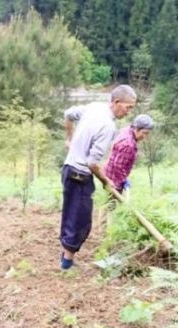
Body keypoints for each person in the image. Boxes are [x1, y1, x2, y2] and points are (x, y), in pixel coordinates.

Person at [59, 85, 137, 270]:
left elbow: (68, 114)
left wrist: (69, 139)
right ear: (117, 102)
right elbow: (93, 163)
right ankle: (66, 263)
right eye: (128, 107)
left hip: (68, 169)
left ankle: (66, 257)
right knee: (81, 220)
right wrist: (106, 181)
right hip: (80, 174)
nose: (128, 112)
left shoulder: (94, 107)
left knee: (71, 213)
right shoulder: (108, 126)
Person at [103, 114, 156, 201]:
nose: (145, 136)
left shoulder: (127, 130)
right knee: (112, 206)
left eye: (147, 134)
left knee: (109, 202)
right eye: (144, 133)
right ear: (136, 128)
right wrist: (124, 180)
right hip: (114, 180)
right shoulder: (129, 145)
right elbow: (118, 165)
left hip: (109, 173)